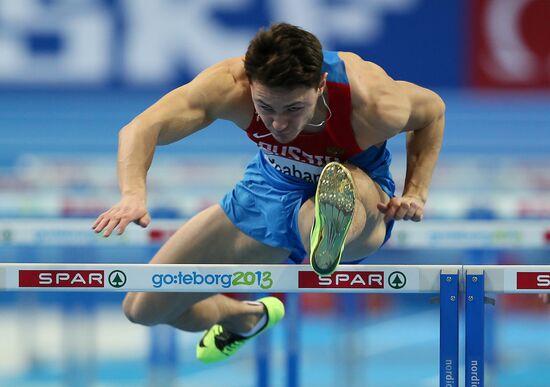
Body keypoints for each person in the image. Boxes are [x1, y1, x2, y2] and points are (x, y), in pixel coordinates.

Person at [92, 23, 445, 363]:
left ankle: (326, 234)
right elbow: (141, 128)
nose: (278, 123)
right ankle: (243, 317)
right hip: (267, 188)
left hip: (360, 194)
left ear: (320, 84)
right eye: (266, 107)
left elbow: (432, 112)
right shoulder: (230, 85)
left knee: (338, 188)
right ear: (251, 86)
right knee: (143, 308)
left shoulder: (374, 102)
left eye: (294, 109)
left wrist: (416, 192)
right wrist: (133, 193)